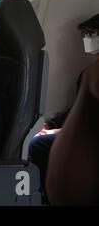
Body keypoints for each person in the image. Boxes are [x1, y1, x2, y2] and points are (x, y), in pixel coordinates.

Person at [28, 13, 99, 203]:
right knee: (37, 138)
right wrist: (50, 125)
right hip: (80, 130)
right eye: (87, 34)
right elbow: (75, 110)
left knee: (38, 145)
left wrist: (62, 130)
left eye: (93, 33)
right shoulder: (89, 71)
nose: (88, 39)